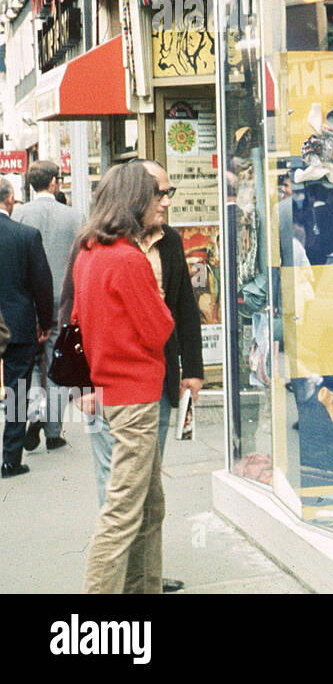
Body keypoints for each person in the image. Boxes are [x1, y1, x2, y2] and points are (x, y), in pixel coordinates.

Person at [63, 160, 204, 593]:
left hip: (114, 389)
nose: (163, 202)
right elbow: (161, 326)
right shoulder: (128, 259)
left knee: (147, 505)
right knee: (124, 510)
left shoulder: (88, 251)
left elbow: (75, 317)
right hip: (135, 393)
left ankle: (143, 586)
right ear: (134, 200)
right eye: (156, 194)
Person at [15, 160, 81, 453]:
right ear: (54, 182)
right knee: (57, 363)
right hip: (62, 300)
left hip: (25, 300)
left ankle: (30, 415)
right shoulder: (75, 216)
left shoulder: (17, 214)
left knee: (26, 364)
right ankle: (53, 432)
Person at [0, 176, 54, 479]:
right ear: (10, 200)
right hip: (18, 324)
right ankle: (10, 459)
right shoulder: (26, 236)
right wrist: (43, 323)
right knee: (17, 391)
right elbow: (42, 286)